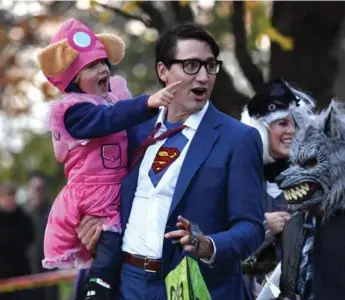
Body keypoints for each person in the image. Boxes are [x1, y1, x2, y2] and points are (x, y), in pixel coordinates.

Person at [75, 22, 265, 300]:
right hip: (127, 284)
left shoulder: (238, 138)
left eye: (210, 66)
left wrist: (208, 245)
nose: (202, 76)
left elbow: (251, 228)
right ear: (163, 71)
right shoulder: (134, 131)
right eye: (190, 65)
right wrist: (90, 225)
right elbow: (101, 188)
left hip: (196, 285)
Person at [38, 18, 179, 300]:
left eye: (104, 62)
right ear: (72, 78)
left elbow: (126, 126)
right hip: (93, 190)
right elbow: (107, 119)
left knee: (112, 237)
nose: (102, 68)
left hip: (114, 188)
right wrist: (147, 102)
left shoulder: (112, 102)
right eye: (91, 65)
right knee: (109, 237)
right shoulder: (74, 112)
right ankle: (97, 287)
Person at [240, 78, 316, 297]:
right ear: (261, 129)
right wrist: (264, 227)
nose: (291, 131)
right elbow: (222, 248)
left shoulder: (313, 181)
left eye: (294, 124)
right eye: (282, 123)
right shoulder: (241, 179)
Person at [24, 170, 59, 300]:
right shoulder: (22, 216)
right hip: (27, 275)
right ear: (29, 190)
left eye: (41, 189)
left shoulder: (54, 214)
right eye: (35, 189)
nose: (38, 193)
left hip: (50, 275)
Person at [0, 182, 34, 300]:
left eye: (12, 196)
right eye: (5, 196)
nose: (9, 200)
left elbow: (30, 239)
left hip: (21, 276)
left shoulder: (24, 218)